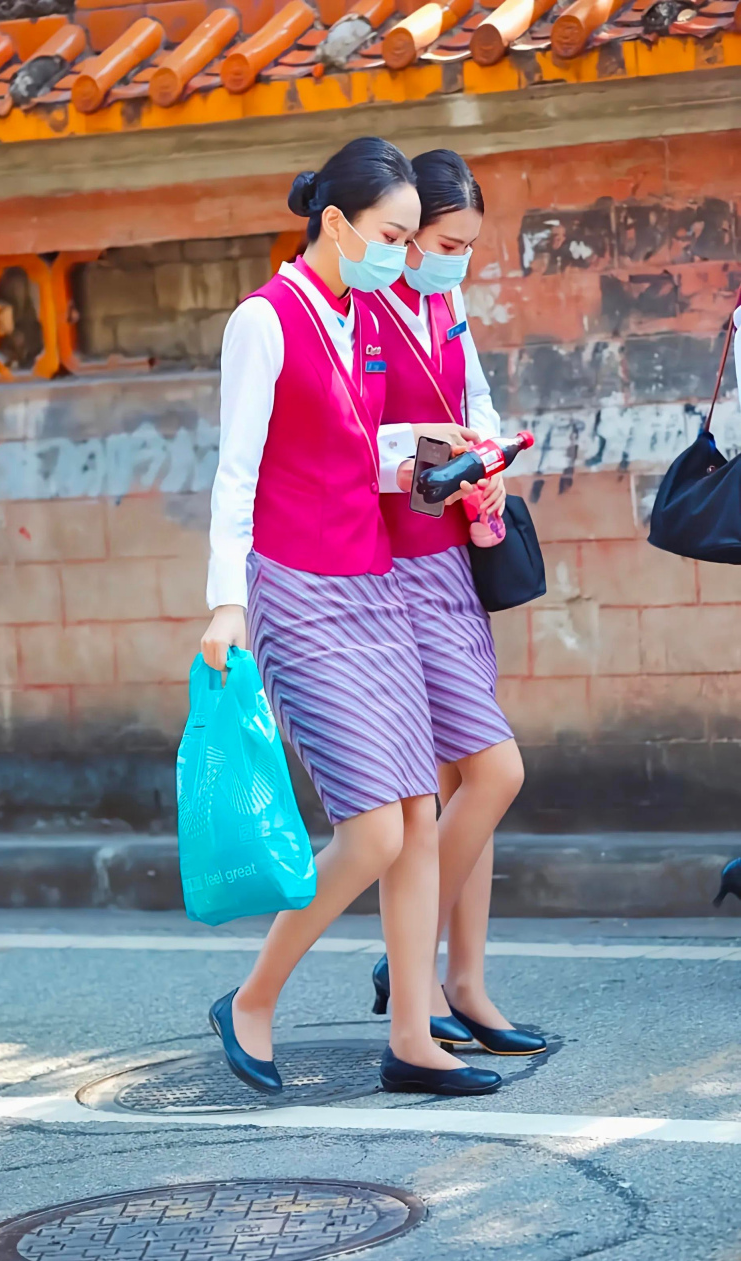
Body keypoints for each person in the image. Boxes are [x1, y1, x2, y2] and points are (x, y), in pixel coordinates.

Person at [200, 137, 502, 1099]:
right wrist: (225, 604)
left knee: (418, 817)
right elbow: (238, 472)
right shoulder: (264, 320)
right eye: (392, 234)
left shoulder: (359, 318)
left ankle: (413, 1037)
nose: (404, 254)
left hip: (371, 578)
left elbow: (355, 456)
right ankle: (250, 1000)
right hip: (294, 589)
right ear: (335, 222)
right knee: (374, 832)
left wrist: (427, 450)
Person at [366, 148, 547, 1056]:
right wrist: (432, 444)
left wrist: (486, 452)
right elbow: (350, 436)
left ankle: (465, 982)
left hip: (453, 556)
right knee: (494, 771)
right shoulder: (357, 307)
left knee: (455, 783)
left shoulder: (445, 304)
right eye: (443, 241)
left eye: (467, 246)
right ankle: (407, 968)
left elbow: (469, 398)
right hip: (396, 566)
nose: (453, 260)